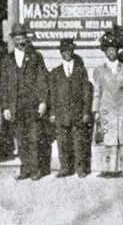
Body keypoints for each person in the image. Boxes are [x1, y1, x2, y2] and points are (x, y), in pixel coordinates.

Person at [0, 22, 49, 180]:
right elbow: (4, 85)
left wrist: (43, 102)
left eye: (22, 37)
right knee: (20, 139)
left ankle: (35, 170)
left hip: (32, 104)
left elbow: (42, 80)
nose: (20, 40)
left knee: (34, 137)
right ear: (13, 40)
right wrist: (5, 107)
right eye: (17, 37)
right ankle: (25, 168)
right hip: (15, 105)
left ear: (26, 39)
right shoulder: (7, 59)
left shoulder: (35, 57)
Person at [91, 30, 123, 176]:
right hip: (106, 108)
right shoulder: (99, 70)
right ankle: (108, 169)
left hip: (122, 107)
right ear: (105, 52)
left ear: (118, 51)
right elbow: (97, 92)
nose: (111, 52)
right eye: (108, 50)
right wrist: (96, 111)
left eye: (114, 50)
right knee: (108, 138)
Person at [48, 38, 91, 178]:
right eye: (64, 51)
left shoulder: (80, 70)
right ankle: (65, 168)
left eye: (69, 50)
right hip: (61, 113)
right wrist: (53, 112)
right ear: (60, 53)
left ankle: (80, 168)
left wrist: (86, 111)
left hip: (77, 112)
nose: (66, 53)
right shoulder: (55, 72)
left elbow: (86, 92)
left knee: (78, 141)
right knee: (63, 142)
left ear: (72, 51)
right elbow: (53, 94)